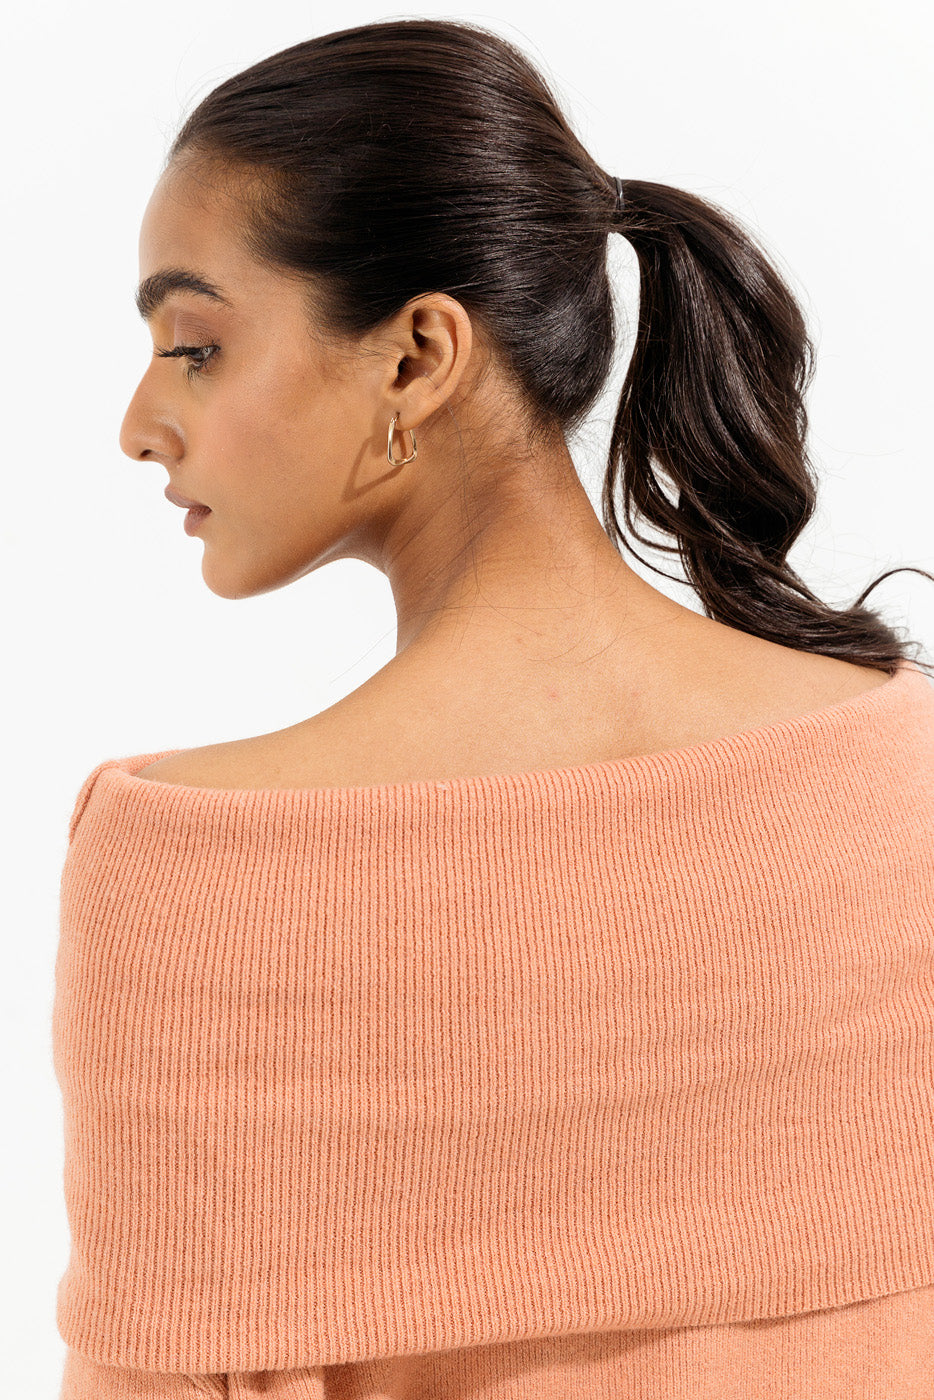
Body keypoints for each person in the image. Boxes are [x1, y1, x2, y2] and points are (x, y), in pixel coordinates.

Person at [55, 18, 934, 1400]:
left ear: (417, 356)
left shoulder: (200, 874)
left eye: (194, 345)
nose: (138, 422)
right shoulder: (902, 778)